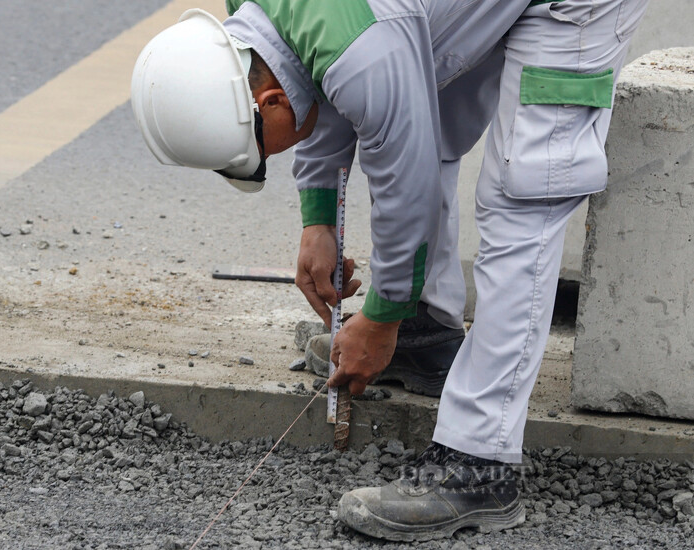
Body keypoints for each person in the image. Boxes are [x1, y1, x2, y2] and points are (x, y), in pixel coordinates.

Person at [130, 0, 648, 541]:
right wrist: (319, 216)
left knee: (522, 198)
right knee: (426, 111)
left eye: (259, 153)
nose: (268, 160)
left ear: (269, 101)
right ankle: (427, 329)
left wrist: (381, 316)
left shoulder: (367, 55)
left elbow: (407, 174)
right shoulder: (258, 14)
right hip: (390, 31)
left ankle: (480, 461)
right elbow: (320, 75)